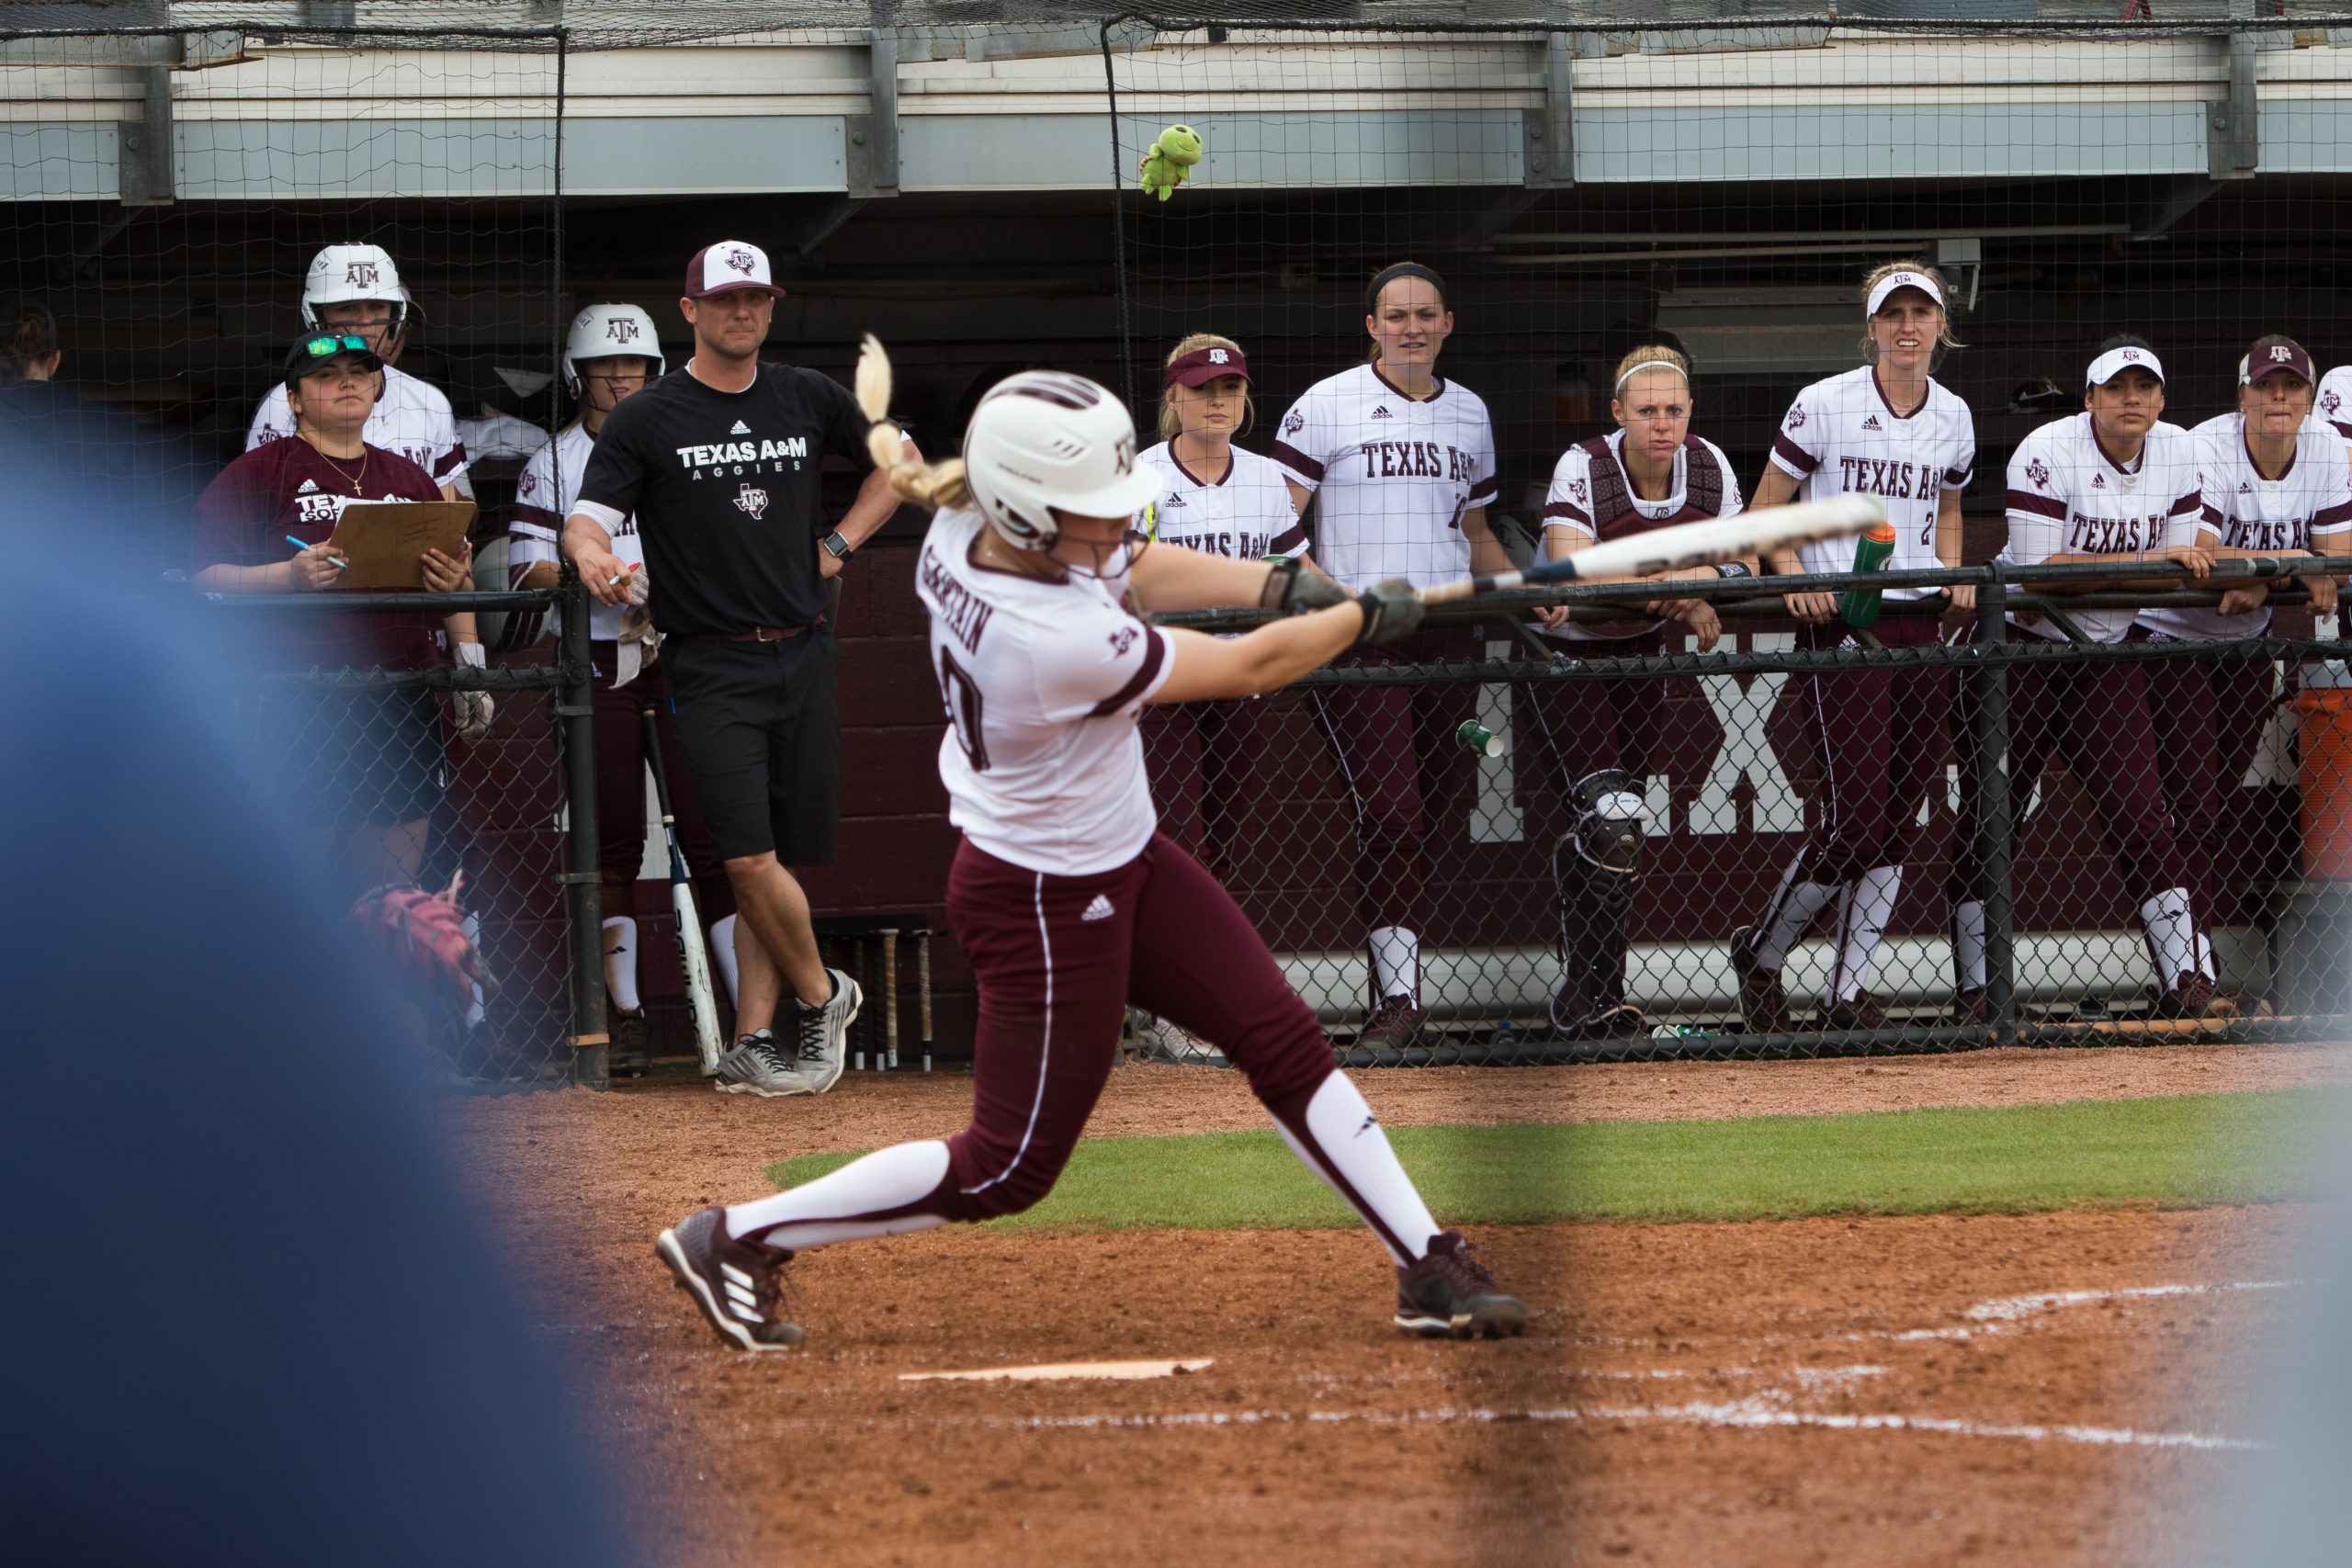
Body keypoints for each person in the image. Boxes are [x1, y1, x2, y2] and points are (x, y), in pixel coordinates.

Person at [653, 369, 1526, 1348]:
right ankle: (734, 1235)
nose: (1111, 527)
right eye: (1088, 513)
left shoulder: (964, 524)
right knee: (1004, 1168)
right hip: (1042, 896)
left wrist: (1279, 580)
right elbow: (1246, 666)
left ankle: (1425, 1259)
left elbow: (1135, 561)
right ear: (1028, 512)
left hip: (1123, 856)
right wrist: (1352, 619)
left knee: (1282, 1041)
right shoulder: (1051, 640)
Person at [561, 241, 904, 1098]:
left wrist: (837, 546)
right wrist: (593, 556)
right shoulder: (650, 414)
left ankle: (753, 1039)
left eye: (756, 298)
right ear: (691, 311)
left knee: (777, 855)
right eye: (724, 300)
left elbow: (894, 462)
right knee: (746, 858)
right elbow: (584, 522)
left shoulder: (805, 393)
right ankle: (827, 994)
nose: (742, 312)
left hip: (802, 647)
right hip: (708, 660)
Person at [1727, 262, 1977, 1032]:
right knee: (1856, 823)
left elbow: (1948, 510)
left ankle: (1846, 991)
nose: (1909, 327)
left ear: (1941, 325)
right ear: (1870, 326)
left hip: (1919, 623)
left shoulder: (1956, 414)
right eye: (1893, 313)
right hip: (1846, 619)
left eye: (1922, 313)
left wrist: (1952, 572)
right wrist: (1792, 573)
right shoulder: (1824, 403)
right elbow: (1766, 510)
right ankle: (1762, 955)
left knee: (1902, 820)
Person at [1947, 336, 2227, 1021]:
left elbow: (2185, 562)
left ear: (2161, 400)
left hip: (2104, 656)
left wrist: (2147, 562)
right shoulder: (2047, 448)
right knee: (1993, 820)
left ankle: (2187, 979)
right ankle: (1980, 992)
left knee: (2145, 818)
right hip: (2018, 649)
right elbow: (2046, 576)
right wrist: (2148, 558)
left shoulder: (2182, 450)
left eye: (2146, 388)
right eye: (2117, 387)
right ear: (2092, 396)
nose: (2133, 400)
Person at [1271, 261, 1506, 1049]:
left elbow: (1475, 535)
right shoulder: (1324, 406)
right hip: (1359, 637)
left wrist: (1527, 591)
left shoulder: (1470, 414)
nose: (1411, 327)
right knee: (1393, 814)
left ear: (1448, 325)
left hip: (1447, 634)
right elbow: (1280, 528)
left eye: (1425, 315)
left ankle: (1401, 996)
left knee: (1433, 817)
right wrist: (1334, 599)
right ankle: (1396, 1004)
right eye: (1395, 315)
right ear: (1371, 327)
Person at [510, 303, 738, 1078]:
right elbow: (526, 566)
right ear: (578, 373)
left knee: (714, 836)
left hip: (685, 655)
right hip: (597, 662)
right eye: (606, 366)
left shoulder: (684, 437)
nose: (620, 378)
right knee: (609, 842)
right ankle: (624, 1015)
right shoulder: (555, 458)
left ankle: (750, 1019)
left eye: (635, 365)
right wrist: (589, 571)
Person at [193, 333, 487, 895]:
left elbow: (457, 578)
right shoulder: (259, 471)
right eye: (327, 375)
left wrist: (467, 651)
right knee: (302, 892)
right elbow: (205, 577)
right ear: (294, 398)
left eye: (359, 371)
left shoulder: (409, 476)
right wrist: (287, 576)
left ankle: (387, 980)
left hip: (403, 692)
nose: (348, 381)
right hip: (302, 697)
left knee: (392, 894)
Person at [1526, 344, 1748, 1038]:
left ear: (1690, 412)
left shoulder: (1709, 467)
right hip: (1568, 659)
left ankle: (1591, 998)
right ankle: (1595, 1002)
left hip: (1640, 662)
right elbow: (1573, 578)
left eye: (1673, 409)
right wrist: (1678, 598)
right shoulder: (1585, 464)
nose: (1661, 422)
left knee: (1621, 830)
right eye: (1646, 409)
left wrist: (1681, 594)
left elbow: (1742, 566)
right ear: (1618, 411)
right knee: (1615, 817)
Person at [2134, 335, 2351, 996]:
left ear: (2311, 400)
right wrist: (2287, 569)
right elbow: (2199, 557)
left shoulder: (2326, 449)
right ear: (2243, 397)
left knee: (2212, 808)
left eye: (2290, 387)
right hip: (2172, 635)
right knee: (2190, 802)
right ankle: (2186, 961)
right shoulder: (2208, 444)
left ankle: (2187, 960)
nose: (2278, 398)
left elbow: (2338, 557)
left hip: (2246, 640)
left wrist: (2263, 579)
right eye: (2265, 386)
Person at [248, 244, 469, 502]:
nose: (365, 321)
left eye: (377, 306)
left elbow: (450, 507)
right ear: (319, 314)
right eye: (348, 307)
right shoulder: (285, 403)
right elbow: (253, 511)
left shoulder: (429, 402)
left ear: (395, 313)